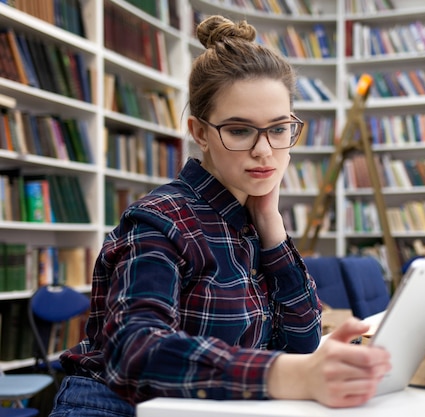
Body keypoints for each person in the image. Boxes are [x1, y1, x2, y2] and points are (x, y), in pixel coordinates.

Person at [49, 15, 391, 417]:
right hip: (113, 408)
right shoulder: (159, 220)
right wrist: (287, 376)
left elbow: (303, 338)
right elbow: (135, 350)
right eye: (240, 130)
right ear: (200, 132)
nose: (265, 151)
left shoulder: (252, 218)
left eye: (279, 129)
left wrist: (272, 227)